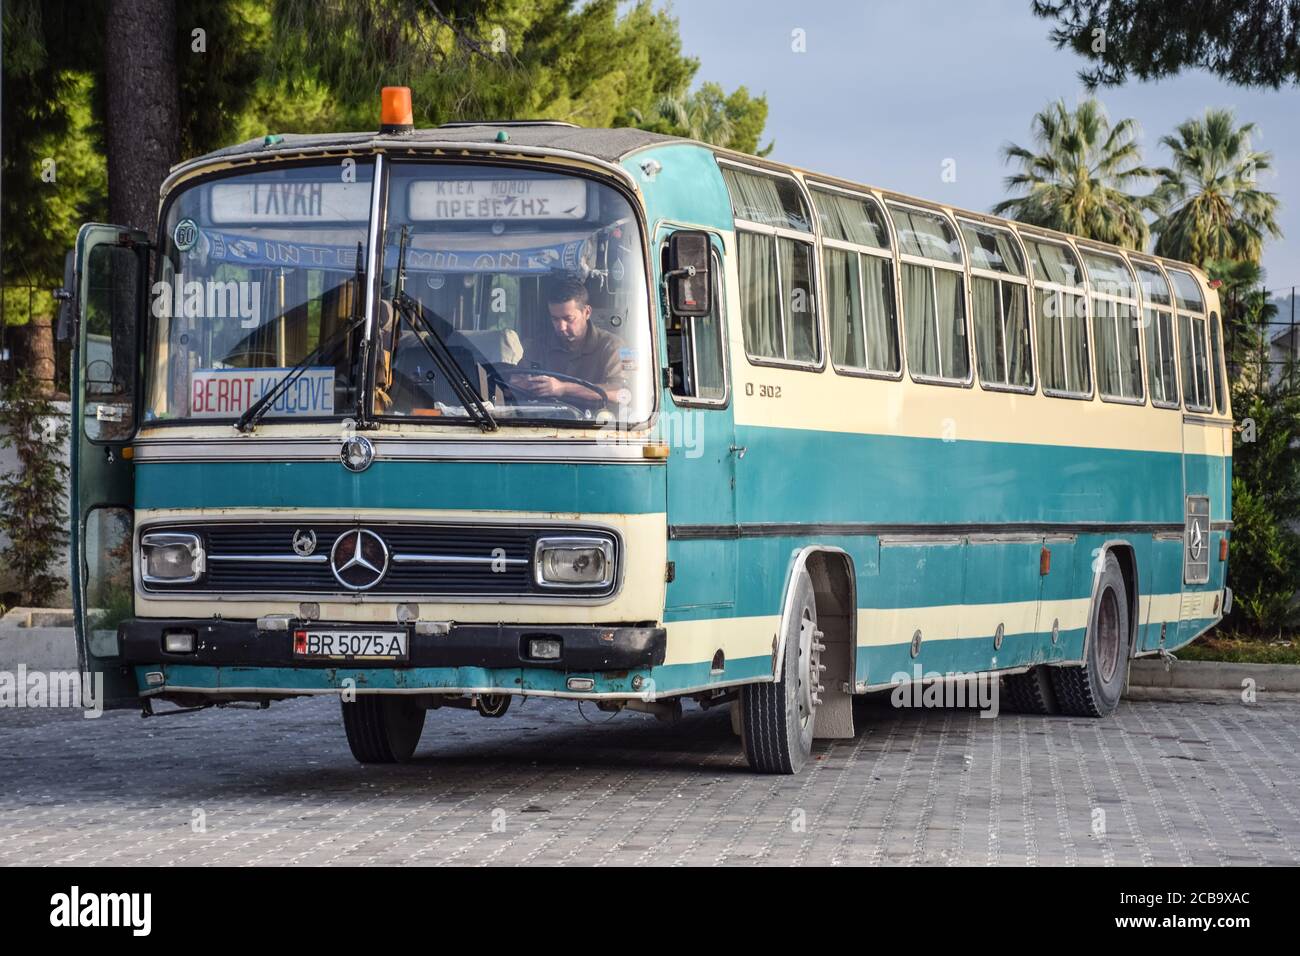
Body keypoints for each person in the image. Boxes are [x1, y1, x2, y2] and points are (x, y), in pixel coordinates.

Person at [510, 277, 626, 409]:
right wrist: (526, 384)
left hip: (596, 420)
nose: (561, 327)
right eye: (555, 319)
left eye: (568, 319)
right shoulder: (539, 345)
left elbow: (623, 393)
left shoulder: (615, 347)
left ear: (587, 312)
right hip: (545, 418)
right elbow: (514, 382)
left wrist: (564, 388)